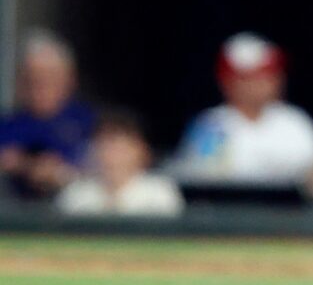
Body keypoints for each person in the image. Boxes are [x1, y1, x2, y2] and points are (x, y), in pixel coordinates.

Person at [172, 33, 313, 191]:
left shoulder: (295, 121)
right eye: (257, 77)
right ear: (229, 82)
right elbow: (202, 181)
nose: (268, 83)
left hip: (288, 210)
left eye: (271, 75)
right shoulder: (211, 124)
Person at [0, 31, 93, 200]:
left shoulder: (90, 124)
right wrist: (25, 166)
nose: (40, 86)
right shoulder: (8, 125)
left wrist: (61, 171)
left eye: (50, 77)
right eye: (32, 78)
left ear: (69, 79)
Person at [55, 109, 183, 217]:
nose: (113, 154)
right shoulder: (76, 193)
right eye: (105, 144)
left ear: (141, 150)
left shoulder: (160, 192)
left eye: (121, 146)